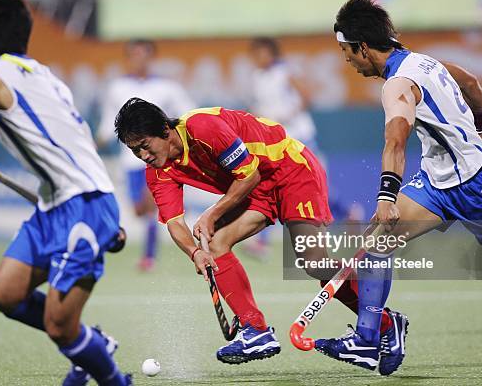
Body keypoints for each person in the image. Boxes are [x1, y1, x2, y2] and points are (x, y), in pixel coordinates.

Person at [315, 0, 482, 375]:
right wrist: (481, 126)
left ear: (363, 48)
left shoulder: (396, 83)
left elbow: (396, 139)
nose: (346, 60)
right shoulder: (426, 61)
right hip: (437, 182)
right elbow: (470, 82)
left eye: (347, 51)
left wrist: (386, 195)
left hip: (478, 184)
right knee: (376, 241)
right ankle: (369, 340)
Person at [0, 0, 130, 386]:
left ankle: (113, 377)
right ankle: (93, 342)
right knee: (4, 293)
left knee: (58, 326)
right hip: (58, 204)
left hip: (84, 204)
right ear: (26, 34)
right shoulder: (45, 76)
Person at [114, 98, 407, 366]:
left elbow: (249, 174)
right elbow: (175, 222)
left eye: (144, 144)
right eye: (134, 150)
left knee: (314, 263)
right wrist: (195, 252)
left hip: (290, 171)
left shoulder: (202, 127)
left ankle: (383, 323)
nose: (143, 155)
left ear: (164, 130)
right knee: (215, 245)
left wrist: (212, 213)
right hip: (253, 190)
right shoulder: (157, 171)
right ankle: (256, 331)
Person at [97, 39, 195, 272]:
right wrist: (91, 146)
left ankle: (149, 256)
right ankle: (155, 246)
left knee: (150, 206)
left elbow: (188, 113)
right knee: (140, 210)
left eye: (144, 55)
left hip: (159, 158)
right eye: (134, 55)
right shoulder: (116, 87)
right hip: (130, 160)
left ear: (152, 57)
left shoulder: (167, 87)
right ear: (128, 58)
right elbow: (107, 126)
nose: (139, 59)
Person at [245, 37, 319, 259]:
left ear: (272, 53)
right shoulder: (257, 77)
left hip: (300, 135)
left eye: (263, 53)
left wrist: (288, 114)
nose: (259, 58)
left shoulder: (286, 71)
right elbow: (261, 106)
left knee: (310, 186)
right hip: (277, 142)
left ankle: (346, 213)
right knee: (271, 185)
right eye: (255, 54)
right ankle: (262, 240)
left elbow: (307, 96)